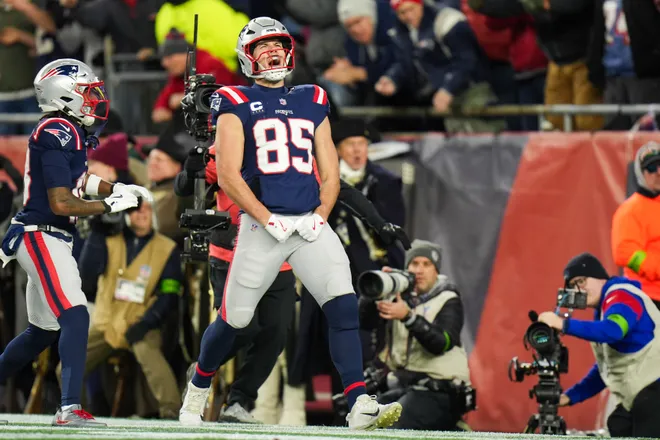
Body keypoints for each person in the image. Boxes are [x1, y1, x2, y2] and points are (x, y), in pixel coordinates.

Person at [178, 17, 403, 430]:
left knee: (342, 302)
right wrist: (265, 218)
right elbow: (227, 174)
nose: (272, 52)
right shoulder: (233, 99)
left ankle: (357, 403)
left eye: (278, 44)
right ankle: (198, 388)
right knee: (235, 319)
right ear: (247, 57)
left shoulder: (312, 98)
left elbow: (331, 171)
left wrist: (320, 215)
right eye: (262, 47)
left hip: (307, 224)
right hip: (262, 227)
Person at [174, 144, 410, 423]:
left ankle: (244, 401)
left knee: (281, 331)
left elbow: (336, 185)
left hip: (288, 250)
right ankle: (201, 380)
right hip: (237, 249)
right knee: (240, 323)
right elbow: (192, 184)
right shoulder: (233, 136)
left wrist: (378, 222)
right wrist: (190, 172)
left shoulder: (297, 137)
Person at [0, 58, 151, 426]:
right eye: (87, 91)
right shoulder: (57, 130)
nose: (95, 97)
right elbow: (61, 202)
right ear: (64, 96)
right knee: (76, 314)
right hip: (40, 234)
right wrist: (108, 206)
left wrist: (118, 188)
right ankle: (69, 408)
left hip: (47, 236)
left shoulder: (69, 130)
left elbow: (79, 181)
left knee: (43, 331)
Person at [538, 253, 660, 438]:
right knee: (618, 423)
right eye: (572, 286)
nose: (578, 289)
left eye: (581, 281)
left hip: (653, 392)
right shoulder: (605, 309)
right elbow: (607, 369)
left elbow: (614, 330)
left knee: (644, 410)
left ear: (600, 278)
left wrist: (562, 324)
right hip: (644, 394)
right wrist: (570, 397)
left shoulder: (621, 294)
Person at [359, 240, 471, 431]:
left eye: (426, 264)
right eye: (414, 264)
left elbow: (442, 343)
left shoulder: (449, 299)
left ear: (436, 271)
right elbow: (366, 323)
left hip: (440, 392)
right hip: (405, 387)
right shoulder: (399, 295)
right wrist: (376, 292)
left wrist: (408, 317)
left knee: (393, 423)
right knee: (362, 419)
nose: (419, 270)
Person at [612, 142, 660, 308]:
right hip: (647, 298)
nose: (658, 172)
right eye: (652, 168)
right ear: (641, 173)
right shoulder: (630, 211)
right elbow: (625, 253)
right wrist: (656, 267)